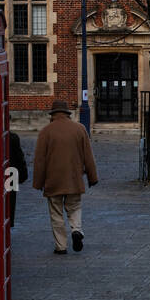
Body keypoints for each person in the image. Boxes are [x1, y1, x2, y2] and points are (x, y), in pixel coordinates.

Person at [32, 100, 99, 255]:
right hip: (74, 178)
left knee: (56, 213)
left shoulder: (46, 132)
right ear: (68, 114)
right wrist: (92, 177)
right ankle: (76, 230)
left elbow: (40, 160)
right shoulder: (79, 129)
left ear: (52, 115)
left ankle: (61, 246)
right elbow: (88, 156)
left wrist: (38, 182)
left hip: (53, 180)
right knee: (74, 207)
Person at [7, 132, 28, 229]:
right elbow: (20, 157)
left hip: (2, 173)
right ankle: (9, 224)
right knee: (10, 201)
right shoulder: (13, 137)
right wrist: (23, 175)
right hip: (11, 173)